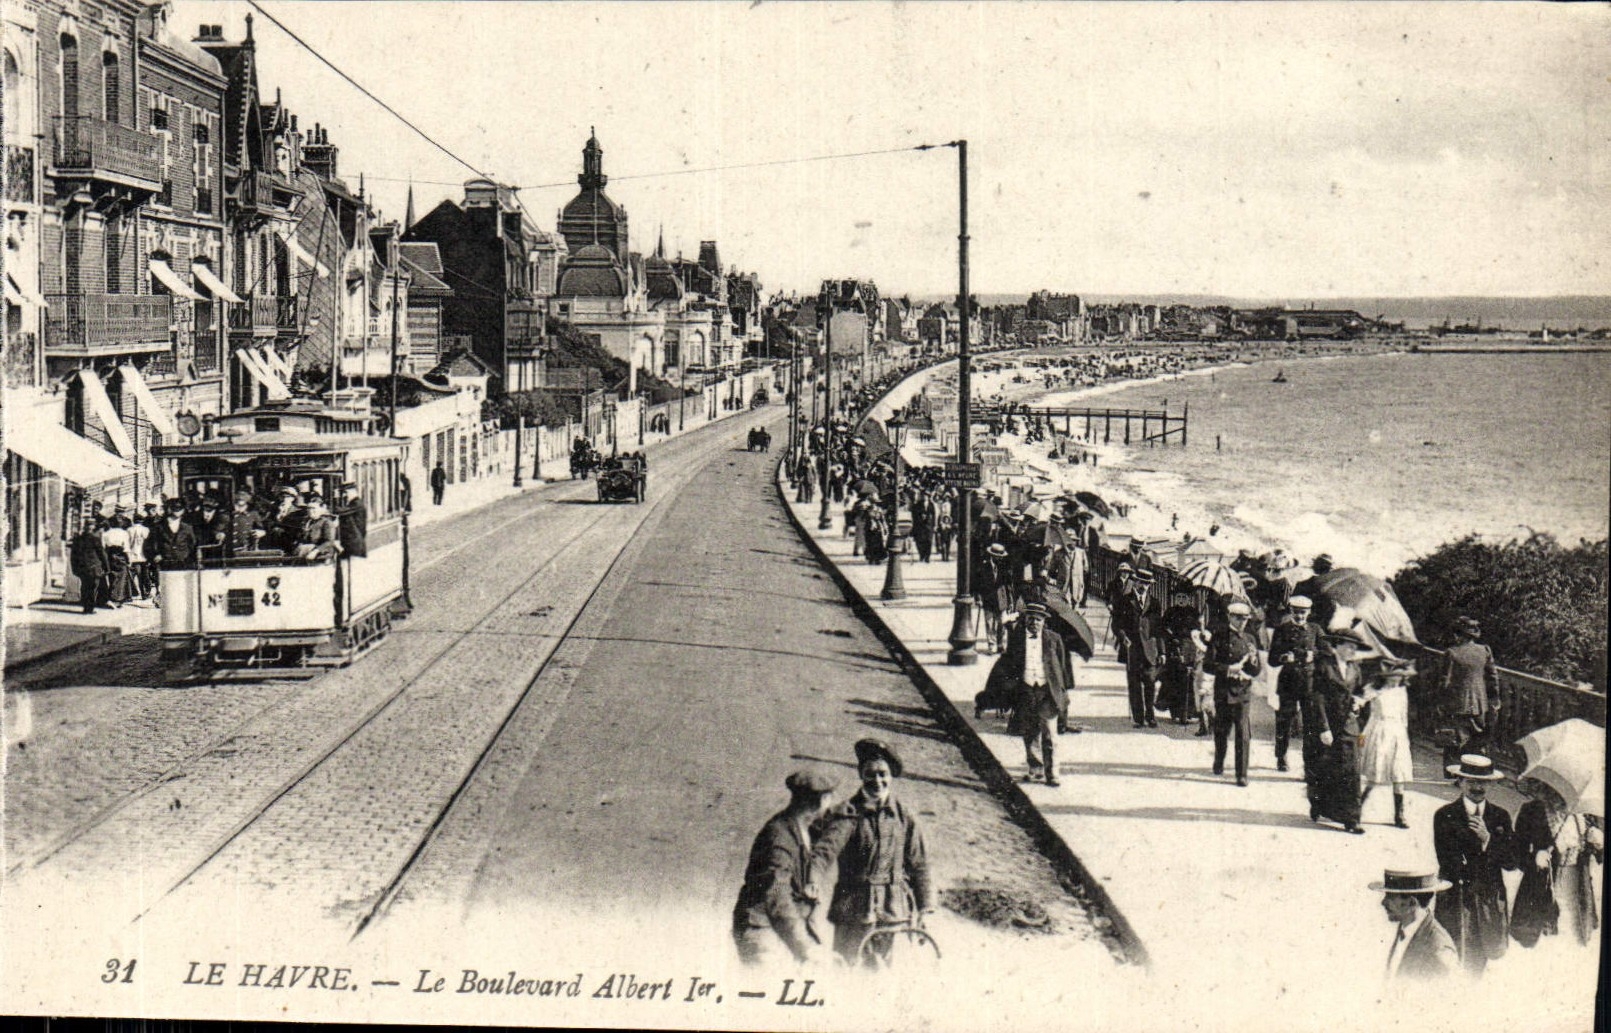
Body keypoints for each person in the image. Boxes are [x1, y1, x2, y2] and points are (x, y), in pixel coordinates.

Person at [807, 739, 934, 967]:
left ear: (891, 775)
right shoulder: (849, 814)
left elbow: (919, 863)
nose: (877, 781)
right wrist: (813, 880)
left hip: (891, 909)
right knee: (847, 968)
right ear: (861, 775)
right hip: (852, 907)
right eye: (870, 774)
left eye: (883, 774)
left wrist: (925, 908)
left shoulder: (903, 817)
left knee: (880, 971)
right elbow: (824, 852)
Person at [732, 770, 837, 966]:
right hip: (763, 931)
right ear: (821, 801)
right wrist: (806, 947)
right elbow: (777, 894)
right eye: (829, 799)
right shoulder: (780, 837)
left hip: (780, 928)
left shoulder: (799, 827)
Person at [1433, 754, 1519, 974]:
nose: (1477, 787)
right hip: (1456, 897)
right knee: (1452, 956)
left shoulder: (1500, 817)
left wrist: (1487, 840)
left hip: (1488, 899)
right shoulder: (1445, 815)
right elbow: (1447, 860)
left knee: (1480, 958)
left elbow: (1511, 862)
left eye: (1482, 782)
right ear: (1460, 782)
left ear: (1490, 784)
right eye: (1471, 781)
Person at [983, 602, 1071, 787]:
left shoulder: (1054, 639)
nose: (1034, 623)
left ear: (1043, 622)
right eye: (1030, 619)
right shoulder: (1017, 639)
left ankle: (1052, 772)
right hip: (1026, 690)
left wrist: (1063, 691)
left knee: (1049, 734)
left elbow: (1063, 667)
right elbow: (1009, 663)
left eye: (1038, 620)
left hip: (1047, 692)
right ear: (1025, 621)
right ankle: (1035, 769)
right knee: (1030, 733)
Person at [1511, 776, 1603, 950]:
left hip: (1578, 888)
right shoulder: (1532, 810)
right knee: (1546, 947)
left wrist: (1599, 843)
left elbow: (1599, 855)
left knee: (1576, 938)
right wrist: (1535, 858)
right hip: (1541, 887)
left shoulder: (1583, 814)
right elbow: (1516, 854)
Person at [1309, 626, 1367, 833]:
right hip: (1329, 727)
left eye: (1355, 648)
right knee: (1326, 770)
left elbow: (1360, 691)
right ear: (1338, 646)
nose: (1353, 651)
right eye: (1349, 646)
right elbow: (1318, 698)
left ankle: (1352, 819)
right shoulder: (1324, 666)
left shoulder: (1355, 669)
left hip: (1349, 726)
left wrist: (1359, 701)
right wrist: (1323, 727)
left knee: (1352, 772)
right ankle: (1319, 806)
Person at [1205, 600, 1262, 786]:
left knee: (1243, 732)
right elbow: (1208, 665)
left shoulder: (1250, 639)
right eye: (1238, 618)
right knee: (1221, 730)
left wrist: (1250, 668)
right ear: (1229, 617)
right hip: (1224, 690)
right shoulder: (1219, 637)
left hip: (1243, 692)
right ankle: (1219, 760)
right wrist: (1230, 669)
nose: (1242, 622)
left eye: (1245, 618)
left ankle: (1241, 774)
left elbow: (1256, 669)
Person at [1370, 869, 1458, 982]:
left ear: (1412, 903)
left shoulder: (1438, 950)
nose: (1383, 902)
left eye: (1390, 897)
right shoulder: (1405, 928)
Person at [1359, 658, 1416, 829]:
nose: (1396, 679)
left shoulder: (1402, 691)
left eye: (1399, 676)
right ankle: (1358, 807)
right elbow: (1358, 702)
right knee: (1375, 772)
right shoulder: (1374, 690)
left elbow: (1403, 716)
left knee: (1398, 772)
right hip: (1378, 730)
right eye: (1393, 675)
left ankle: (1399, 814)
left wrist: (1404, 736)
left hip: (1397, 732)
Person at [1267, 596, 1320, 773]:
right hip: (1288, 683)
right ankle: (1281, 756)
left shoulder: (1315, 630)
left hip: (1309, 684)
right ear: (1290, 612)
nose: (1299, 616)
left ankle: (1309, 762)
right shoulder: (1281, 630)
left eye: (1303, 613)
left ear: (1309, 612)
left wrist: (1314, 655)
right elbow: (1272, 660)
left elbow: (1327, 653)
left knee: (1311, 724)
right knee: (1284, 721)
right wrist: (1283, 657)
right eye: (1296, 612)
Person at [1113, 567, 1163, 729]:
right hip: (1132, 648)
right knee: (1134, 684)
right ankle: (1138, 718)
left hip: (1150, 649)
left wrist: (1162, 651)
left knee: (1150, 682)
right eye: (1141, 582)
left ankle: (1151, 715)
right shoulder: (1124, 601)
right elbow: (1117, 624)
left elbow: (1158, 629)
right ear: (1135, 582)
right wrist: (1123, 638)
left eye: (1147, 584)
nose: (1144, 586)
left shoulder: (1155, 603)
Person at [1442, 617, 1498, 759]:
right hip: (1480, 705)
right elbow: (1493, 678)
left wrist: (1440, 703)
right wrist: (1494, 699)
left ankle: (1456, 774)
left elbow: (1445, 682)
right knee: (1476, 742)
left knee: (1455, 742)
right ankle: (1472, 773)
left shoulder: (1451, 653)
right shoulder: (1485, 651)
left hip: (1457, 704)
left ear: (1459, 635)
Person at [144, 498, 199, 578]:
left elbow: (193, 545)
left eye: (179, 508)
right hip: (165, 565)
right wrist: (155, 555)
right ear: (169, 509)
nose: (176, 510)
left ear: (183, 510)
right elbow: (148, 545)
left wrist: (190, 560)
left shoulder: (187, 527)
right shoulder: (159, 527)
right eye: (174, 507)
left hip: (184, 565)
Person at [70, 518, 110, 614]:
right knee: (92, 587)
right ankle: (89, 608)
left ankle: (85, 607)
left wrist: (74, 568)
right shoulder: (95, 539)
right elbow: (102, 554)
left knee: (84, 586)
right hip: (93, 567)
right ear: (92, 527)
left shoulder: (78, 539)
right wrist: (107, 567)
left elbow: (73, 555)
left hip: (82, 567)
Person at [295, 495, 341, 561]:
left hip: (320, 555)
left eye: (313, 508)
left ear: (321, 509)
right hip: (304, 552)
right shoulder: (306, 522)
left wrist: (315, 552)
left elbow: (329, 542)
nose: (310, 511)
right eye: (309, 508)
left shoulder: (326, 523)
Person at [335, 481, 368, 558]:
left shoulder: (356, 504)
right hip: (354, 540)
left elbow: (339, 511)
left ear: (351, 491)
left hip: (355, 541)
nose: (344, 496)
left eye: (345, 493)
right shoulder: (354, 503)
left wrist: (336, 498)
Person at [126, 510, 151, 600]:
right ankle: (145, 593)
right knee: (145, 575)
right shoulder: (146, 530)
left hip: (133, 556)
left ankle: (130, 594)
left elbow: (127, 543)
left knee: (132, 576)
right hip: (144, 556)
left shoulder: (129, 530)